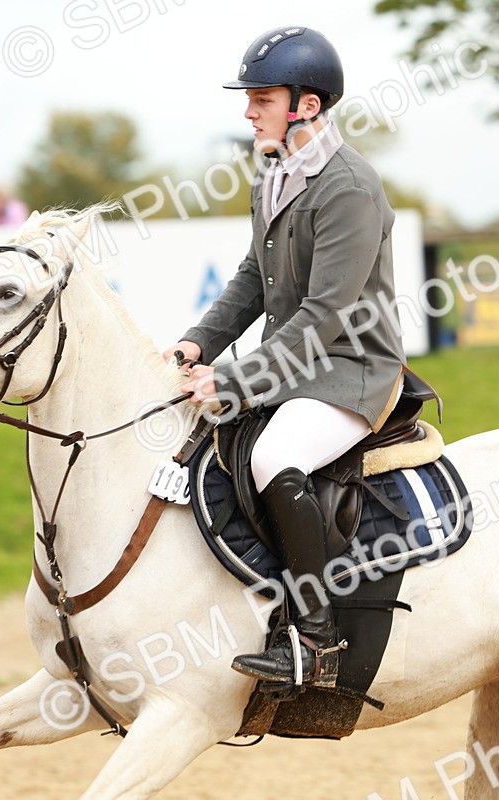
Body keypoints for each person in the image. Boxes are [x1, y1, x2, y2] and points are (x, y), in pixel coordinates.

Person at [162, 26, 406, 688]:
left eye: (261, 98)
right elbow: (251, 279)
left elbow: (325, 316)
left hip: (351, 371)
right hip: (297, 365)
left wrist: (236, 378)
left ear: (306, 103)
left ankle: (318, 643)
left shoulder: (349, 186)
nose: (248, 111)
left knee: (274, 456)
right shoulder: (273, 173)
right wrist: (199, 342)